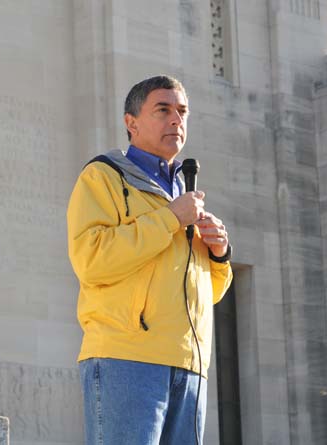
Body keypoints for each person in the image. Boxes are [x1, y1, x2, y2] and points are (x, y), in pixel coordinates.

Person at [67, 75, 233, 444]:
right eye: (163, 110)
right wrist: (170, 218)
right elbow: (92, 260)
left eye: (182, 111)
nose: (176, 119)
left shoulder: (183, 192)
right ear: (132, 122)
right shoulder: (103, 177)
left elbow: (207, 294)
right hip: (126, 358)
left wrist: (219, 255)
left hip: (191, 366)